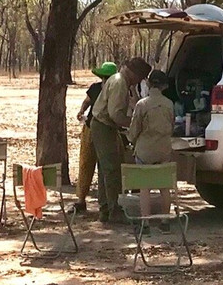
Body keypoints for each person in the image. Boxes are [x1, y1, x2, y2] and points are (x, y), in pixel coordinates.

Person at [90, 57, 150, 223]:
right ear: (135, 74)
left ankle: (106, 208)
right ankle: (112, 209)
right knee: (111, 169)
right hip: (103, 126)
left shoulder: (119, 81)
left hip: (105, 126)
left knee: (105, 168)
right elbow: (115, 114)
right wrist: (133, 124)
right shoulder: (119, 83)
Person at [125, 68, 176, 215]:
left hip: (145, 151)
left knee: (145, 187)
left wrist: (131, 140)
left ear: (148, 83)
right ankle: (165, 220)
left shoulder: (142, 104)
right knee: (164, 187)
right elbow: (171, 126)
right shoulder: (169, 104)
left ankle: (145, 222)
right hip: (164, 149)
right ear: (164, 86)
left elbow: (134, 130)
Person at [73, 61, 117, 213]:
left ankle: (105, 203)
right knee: (86, 163)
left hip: (108, 130)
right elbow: (87, 101)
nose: (105, 80)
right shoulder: (95, 88)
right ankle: (81, 199)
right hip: (91, 128)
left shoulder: (116, 91)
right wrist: (81, 111)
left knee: (105, 167)